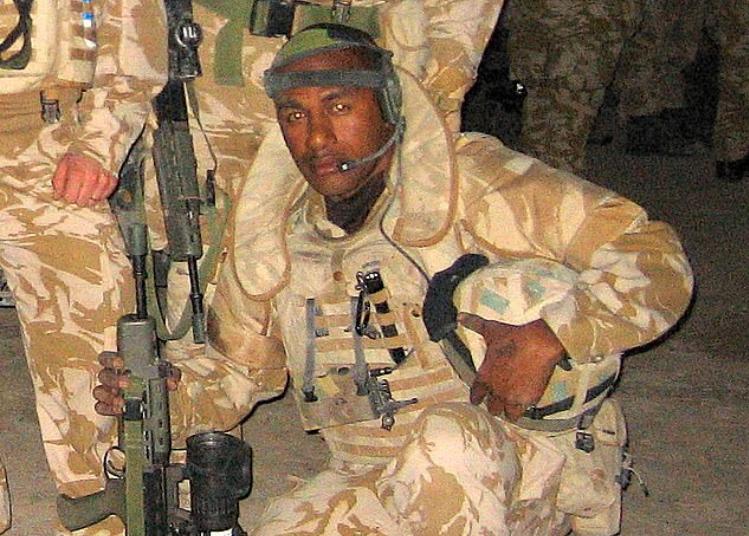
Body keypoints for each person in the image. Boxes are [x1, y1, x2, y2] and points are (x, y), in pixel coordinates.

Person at [144, 0, 506, 440]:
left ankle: (443, 436)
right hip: (212, 82)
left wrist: (432, 96)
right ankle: (195, 442)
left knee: (407, 257)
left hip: (359, 69)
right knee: (206, 260)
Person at [0, 0, 167, 533]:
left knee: (98, 353)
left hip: (49, 146)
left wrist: (98, 145)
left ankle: (98, 511)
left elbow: (134, 49)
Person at [506, 0, 643, 174]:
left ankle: (543, 179)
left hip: (569, 53)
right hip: (566, 46)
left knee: (554, 134)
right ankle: (543, 181)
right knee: (547, 131)